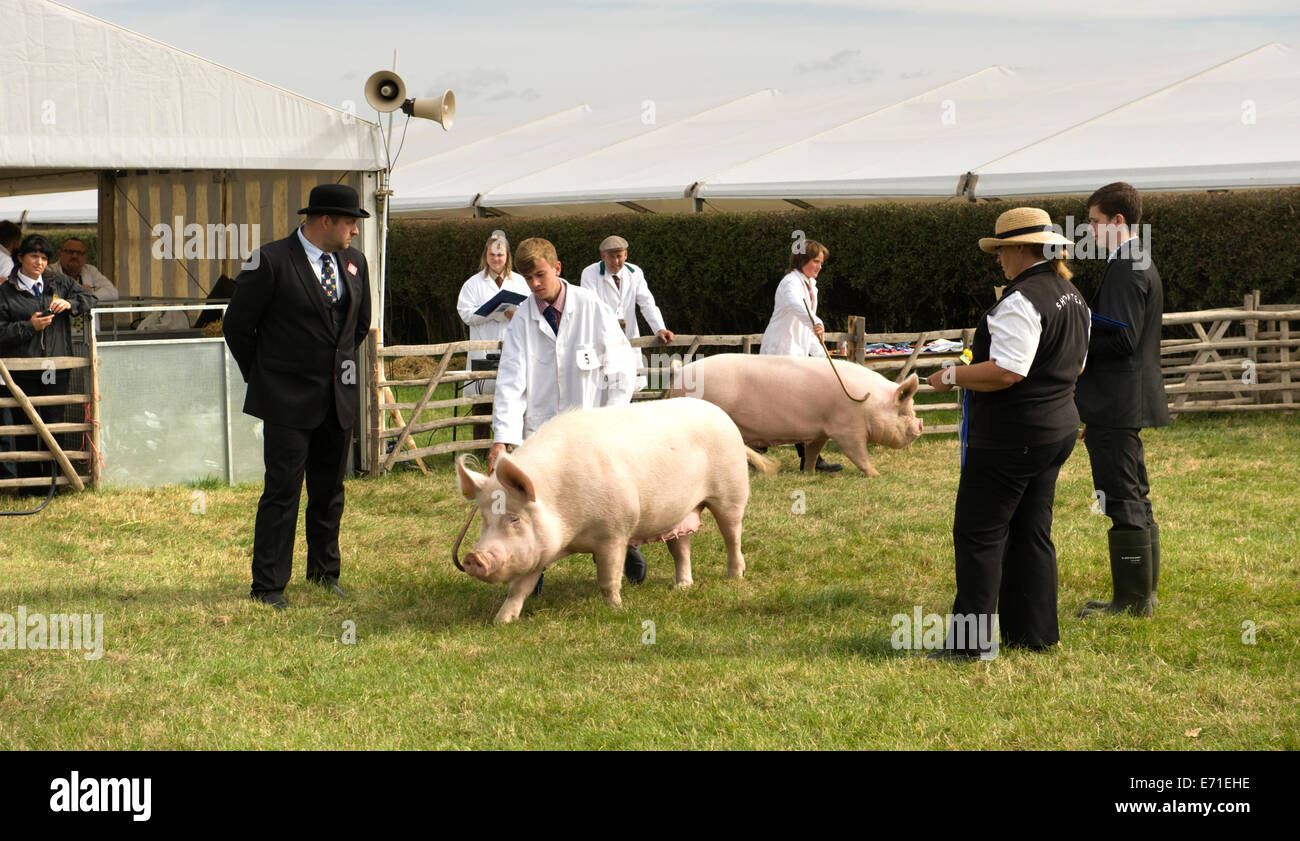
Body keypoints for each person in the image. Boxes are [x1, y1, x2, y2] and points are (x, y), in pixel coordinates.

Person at [926, 208, 1090, 659]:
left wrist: (953, 377)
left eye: (1001, 251)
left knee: (979, 534)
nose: (998, 260)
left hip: (1011, 436)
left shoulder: (1021, 300)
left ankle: (969, 644)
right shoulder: (1073, 296)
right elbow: (1076, 365)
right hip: (1057, 428)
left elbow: (1007, 371)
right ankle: (1034, 633)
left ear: (1020, 249)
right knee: (1032, 532)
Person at [223, 184, 372, 610]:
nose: (355, 232)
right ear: (325, 221)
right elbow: (237, 326)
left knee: (330, 491)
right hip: (285, 399)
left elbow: (357, 327)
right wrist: (266, 376)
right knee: (282, 491)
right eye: (349, 223)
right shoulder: (268, 260)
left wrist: (337, 370)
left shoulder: (355, 263)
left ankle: (325, 572)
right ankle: (268, 585)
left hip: (336, 398)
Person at [489, 237, 644, 585]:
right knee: (532, 503)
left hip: (592, 431)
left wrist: (611, 420)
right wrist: (503, 438)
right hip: (541, 432)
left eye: (541, 275)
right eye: (528, 279)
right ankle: (534, 571)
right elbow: (510, 382)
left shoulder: (592, 307)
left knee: (602, 498)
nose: (535, 285)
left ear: (557, 268)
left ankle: (624, 548)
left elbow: (621, 369)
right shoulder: (522, 320)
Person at [1075, 182, 1170, 618]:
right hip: (1126, 397)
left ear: (1117, 222)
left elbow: (1123, 338)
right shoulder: (1136, 260)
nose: (1089, 231)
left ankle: (1132, 601)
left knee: (1121, 497)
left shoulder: (1127, 264)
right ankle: (1141, 596)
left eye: (1094, 222)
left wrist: (1077, 330)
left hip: (1115, 399)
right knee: (1134, 494)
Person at [0, 234, 96, 490]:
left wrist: (71, 302)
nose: (39, 262)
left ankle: (57, 482)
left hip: (54, 367)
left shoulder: (59, 282)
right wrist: (28, 327)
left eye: (44, 258)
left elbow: (91, 299)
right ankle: (31, 486)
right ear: (20, 258)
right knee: (26, 427)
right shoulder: (5, 292)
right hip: (22, 370)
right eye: (34, 256)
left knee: (55, 423)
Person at [759, 239, 842, 471]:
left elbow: (806, 327)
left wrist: (819, 354)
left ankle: (807, 459)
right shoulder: (790, 283)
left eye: (821, 262)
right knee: (786, 407)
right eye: (816, 261)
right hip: (780, 353)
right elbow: (798, 308)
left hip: (796, 354)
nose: (819, 266)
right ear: (802, 260)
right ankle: (757, 450)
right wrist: (817, 322)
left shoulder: (810, 285)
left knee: (791, 408)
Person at [456, 233, 529, 454]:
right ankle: (480, 450)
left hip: (513, 347)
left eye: (500, 254)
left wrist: (514, 313)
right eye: (492, 254)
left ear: (507, 256)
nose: (496, 259)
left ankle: (513, 448)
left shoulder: (521, 282)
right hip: (483, 349)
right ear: (485, 256)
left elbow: (531, 310)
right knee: (482, 401)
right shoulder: (473, 284)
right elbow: (466, 314)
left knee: (513, 399)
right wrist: (493, 313)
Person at [578, 235, 673, 390]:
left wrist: (659, 329)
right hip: (602, 337)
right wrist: (610, 330)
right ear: (603, 256)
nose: (616, 261)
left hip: (630, 336)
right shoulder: (590, 273)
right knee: (605, 387)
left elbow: (647, 303)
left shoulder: (635, 272)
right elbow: (591, 306)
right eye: (611, 257)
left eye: (619, 256)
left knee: (632, 385)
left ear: (626, 255)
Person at [52, 238, 119, 302]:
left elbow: (112, 292)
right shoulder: (49, 271)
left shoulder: (90, 270)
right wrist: (80, 291)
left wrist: (88, 297)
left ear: (85, 257)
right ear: (60, 254)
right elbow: (47, 296)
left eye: (79, 253)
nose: (74, 256)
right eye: (70, 252)